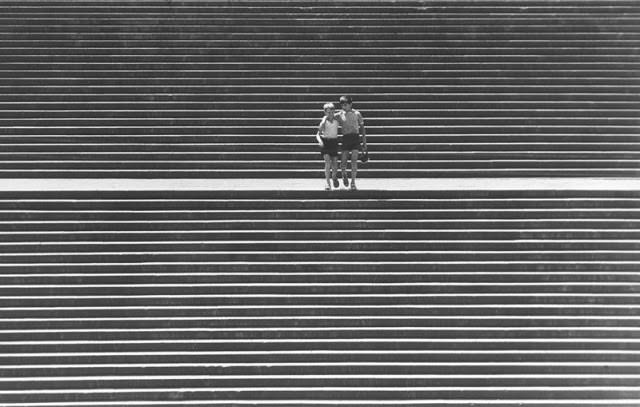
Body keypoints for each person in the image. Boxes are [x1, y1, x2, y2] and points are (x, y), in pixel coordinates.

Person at [337, 95, 367, 190]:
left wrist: (364, 143)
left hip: (355, 138)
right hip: (346, 138)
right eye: (342, 105)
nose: (343, 107)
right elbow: (329, 117)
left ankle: (353, 182)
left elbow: (362, 129)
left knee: (354, 160)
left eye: (345, 105)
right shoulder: (339, 114)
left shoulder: (357, 114)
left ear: (350, 104)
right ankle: (344, 173)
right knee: (343, 161)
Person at [315, 103, 340, 190]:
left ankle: (334, 177)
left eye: (332, 112)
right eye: (328, 112)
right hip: (325, 142)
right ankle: (327, 183)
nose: (331, 114)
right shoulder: (324, 121)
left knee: (335, 164)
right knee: (327, 162)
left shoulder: (337, 119)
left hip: (334, 142)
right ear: (325, 112)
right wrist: (320, 141)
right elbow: (317, 134)